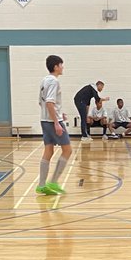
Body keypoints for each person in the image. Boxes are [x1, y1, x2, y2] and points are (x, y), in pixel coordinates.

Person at [37, 54, 72, 196]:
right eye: (61, 65)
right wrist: (57, 122)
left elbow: (42, 102)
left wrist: (58, 113)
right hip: (52, 122)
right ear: (56, 66)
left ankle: (41, 185)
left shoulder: (44, 80)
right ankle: (53, 182)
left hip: (45, 120)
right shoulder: (54, 81)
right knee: (68, 150)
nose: (63, 67)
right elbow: (49, 102)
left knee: (49, 151)